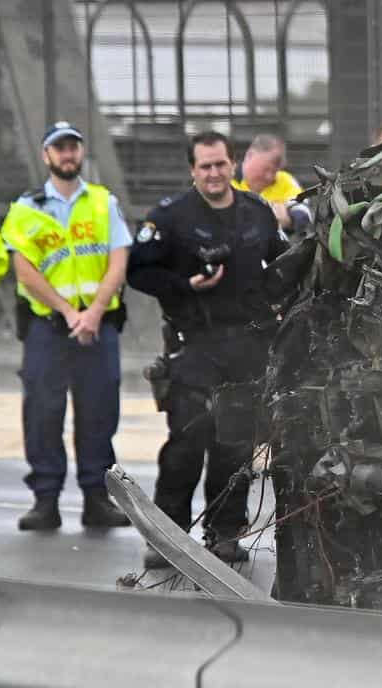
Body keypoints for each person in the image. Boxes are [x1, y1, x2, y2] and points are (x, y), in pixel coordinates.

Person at [128, 130, 290, 567]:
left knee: (235, 446)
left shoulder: (256, 212)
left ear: (233, 164)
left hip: (247, 346)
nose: (214, 173)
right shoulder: (171, 217)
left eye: (220, 164)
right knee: (186, 442)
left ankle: (223, 533)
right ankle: (167, 536)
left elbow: (282, 260)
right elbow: (138, 272)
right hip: (193, 345)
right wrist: (184, 285)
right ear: (192, 171)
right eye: (205, 166)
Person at [0, 121, 132, 531]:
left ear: (81, 152)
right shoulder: (26, 209)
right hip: (49, 328)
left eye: (73, 147)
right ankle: (46, 501)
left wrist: (91, 313)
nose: (67, 154)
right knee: (42, 413)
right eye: (59, 148)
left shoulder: (102, 202)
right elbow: (25, 272)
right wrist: (69, 312)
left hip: (98, 326)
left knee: (99, 413)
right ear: (46, 156)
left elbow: (118, 259)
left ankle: (97, 500)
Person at [232, 134, 310, 234]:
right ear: (250, 155)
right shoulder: (227, 180)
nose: (269, 176)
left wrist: (290, 221)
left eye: (274, 171)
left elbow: (303, 212)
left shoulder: (284, 180)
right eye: (265, 169)